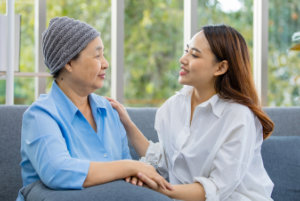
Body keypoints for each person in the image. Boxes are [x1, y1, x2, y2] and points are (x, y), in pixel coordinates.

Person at [107, 24, 275, 201]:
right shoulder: (172, 107)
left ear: (220, 67)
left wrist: (158, 188)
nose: (182, 59)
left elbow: (216, 189)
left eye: (194, 54)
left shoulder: (239, 116)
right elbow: (163, 163)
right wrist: (126, 122)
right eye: (186, 51)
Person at [17, 17, 172, 201]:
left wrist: (131, 171)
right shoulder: (40, 115)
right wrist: (131, 167)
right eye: (97, 55)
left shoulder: (108, 110)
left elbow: (124, 170)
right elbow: (58, 171)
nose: (105, 63)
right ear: (69, 63)